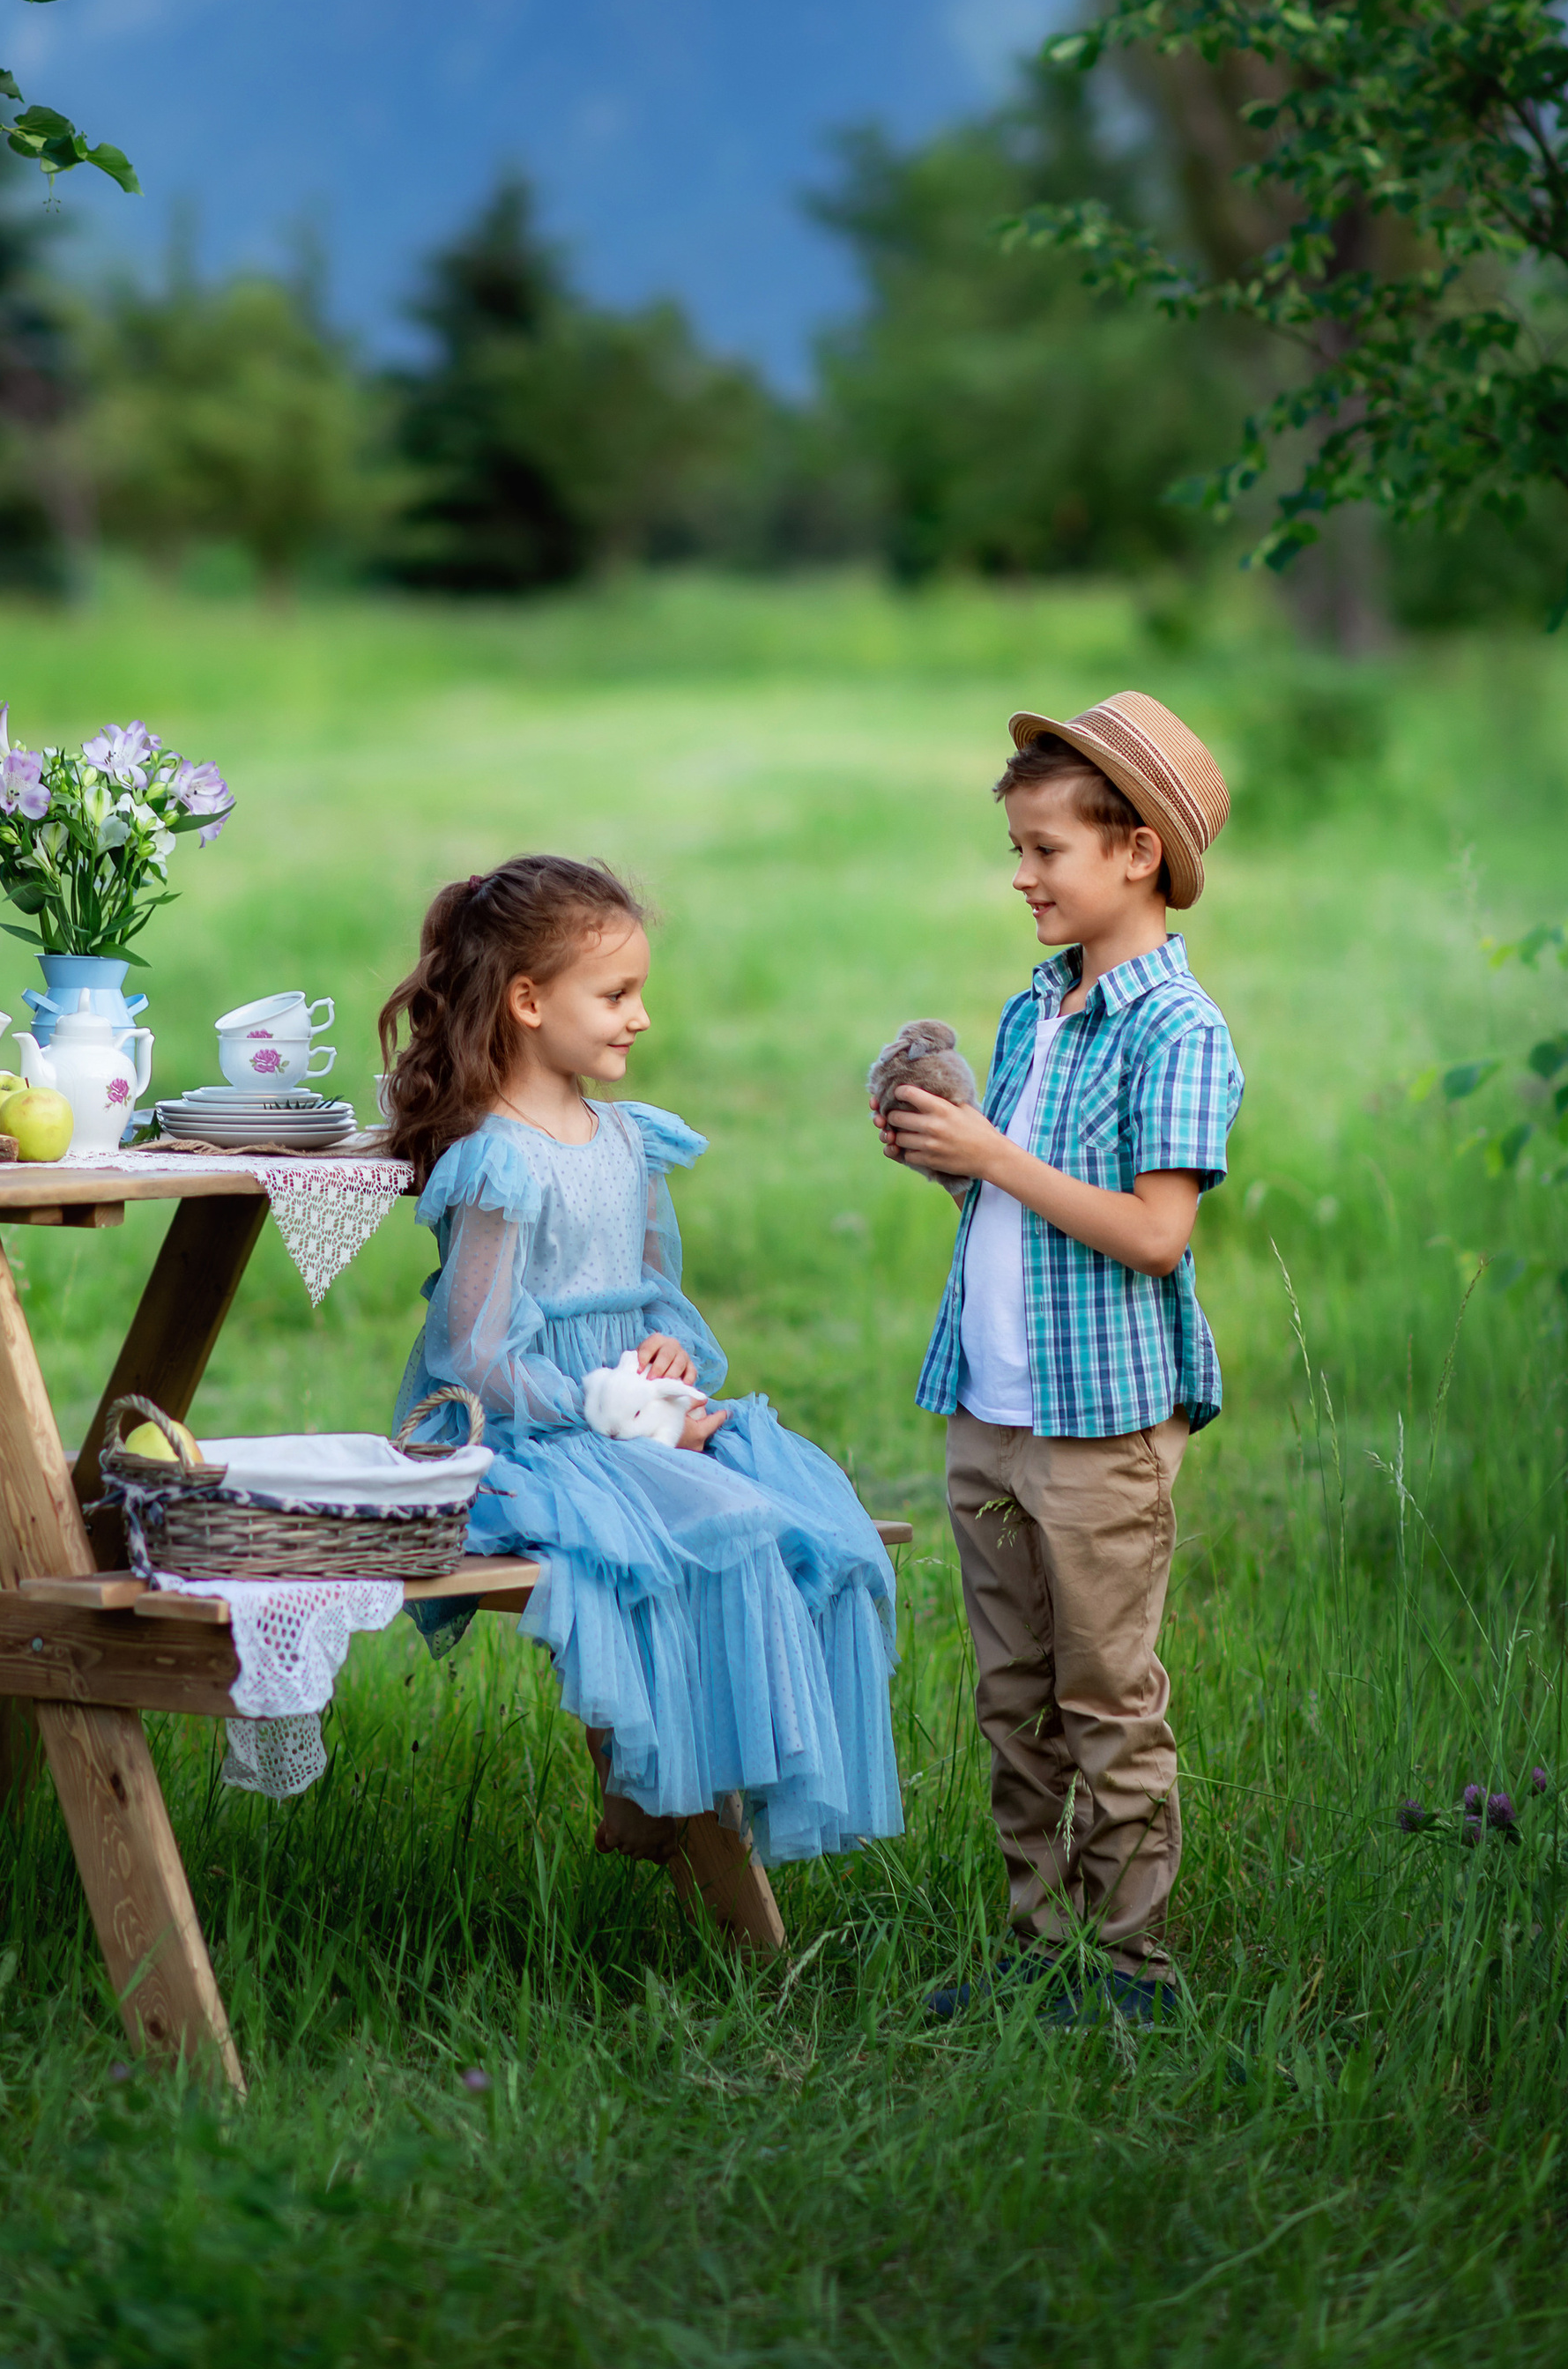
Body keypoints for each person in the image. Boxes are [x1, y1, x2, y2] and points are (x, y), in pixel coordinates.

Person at [380, 854, 902, 1905]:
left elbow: (658, 1302)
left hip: (632, 1417)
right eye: (616, 995)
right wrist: (601, 1407)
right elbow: (473, 1353)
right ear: (528, 1002)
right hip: (533, 1432)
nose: (641, 1017)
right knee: (715, 1525)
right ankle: (646, 1780)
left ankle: (696, 1788)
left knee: (816, 1523)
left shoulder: (628, 1140)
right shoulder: (500, 1159)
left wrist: (670, 1363)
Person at [876, 693, 1240, 2024]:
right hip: (991, 1406)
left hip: (1099, 1425)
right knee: (1013, 1700)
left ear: (1137, 854)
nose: (1022, 876)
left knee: (1105, 1700)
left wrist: (995, 1154)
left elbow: (1152, 1232)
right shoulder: (1036, 1009)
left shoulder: (1175, 1028)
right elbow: (1023, 1204)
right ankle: (1040, 1951)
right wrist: (950, 1157)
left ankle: (1130, 1969)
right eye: (1016, 850)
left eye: (1046, 851)